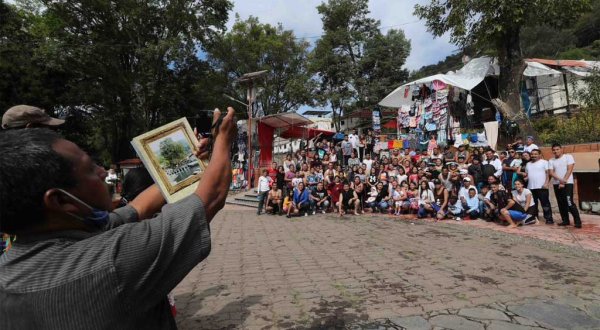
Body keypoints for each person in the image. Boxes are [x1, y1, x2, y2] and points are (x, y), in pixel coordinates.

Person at [0, 107, 235, 329]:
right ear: (61, 201)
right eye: (90, 168)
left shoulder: (12, 267)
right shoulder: (114, 261)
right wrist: (223, 140)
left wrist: (190, 161)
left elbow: (138, 208)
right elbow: (210, 197)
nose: (104, 172)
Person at [549, 143, 582, 228]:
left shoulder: (568, 157)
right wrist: (560, 181)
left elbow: (570, 169)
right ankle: (565, 220)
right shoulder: (551, 160)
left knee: (569, 202)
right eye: (554, 150)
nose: (556, 151)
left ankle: (577, 221)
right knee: (561, 203)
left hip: (567, 183)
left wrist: (563, 182)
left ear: (561, 149)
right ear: (552, 151)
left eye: (557, 149)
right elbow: (551, 172)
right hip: (557, 184)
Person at [524, 149, 554, 224]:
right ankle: (534, 218)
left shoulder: (544, 162)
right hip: (530, 187)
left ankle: (549, 219)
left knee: (545, 203)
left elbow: (548, 174)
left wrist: (546, 183)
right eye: (532, 154)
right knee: (533, 204)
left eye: (535, 154)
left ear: (540, 155)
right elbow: (528, 174)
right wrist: (526, 178)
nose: (533, 155)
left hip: (542, 187)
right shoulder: (528, 164)